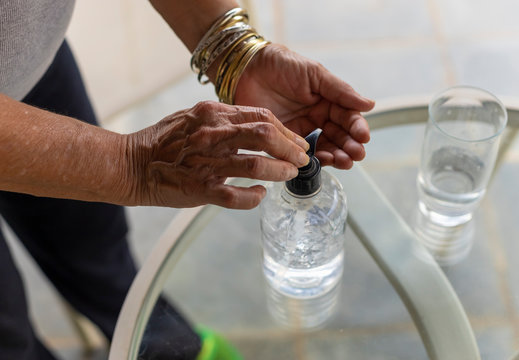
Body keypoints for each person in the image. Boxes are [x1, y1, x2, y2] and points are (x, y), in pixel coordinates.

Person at [0, 0, 375, 359]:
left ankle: (164, 350)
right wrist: (132, 165)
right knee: (8, 333)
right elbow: (131, 167)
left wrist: (234, 49)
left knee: (93, 238)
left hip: (27, 58)